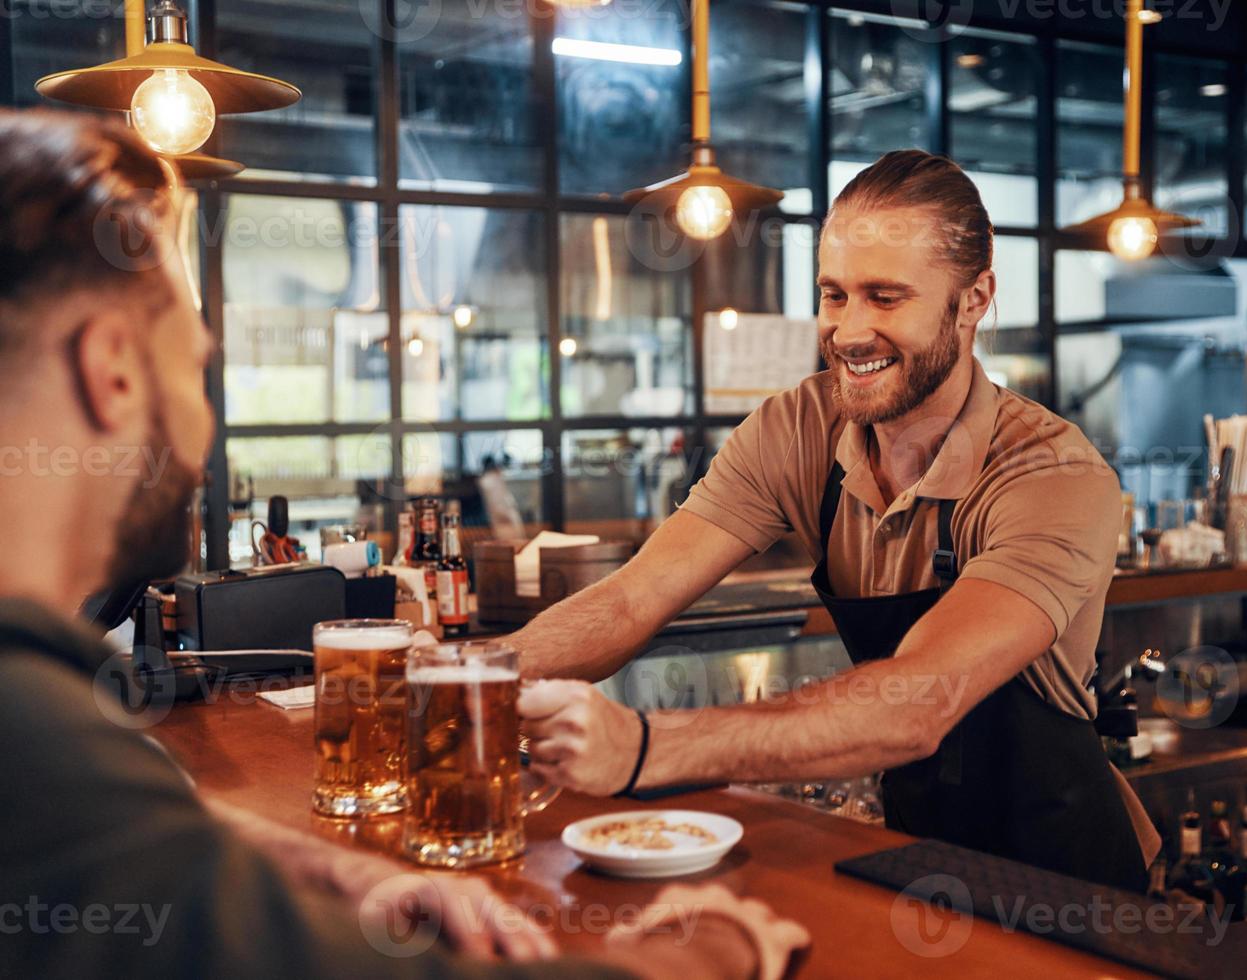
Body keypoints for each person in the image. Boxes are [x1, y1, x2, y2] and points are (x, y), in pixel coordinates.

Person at [0, 108, 807, 980]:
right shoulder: (29, 727)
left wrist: (334, 870)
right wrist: (714, 950)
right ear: (112, 370)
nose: (202, 425)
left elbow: (140, 837)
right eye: (192, 369)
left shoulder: (45, 729)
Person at [513, 150, 1161, 893]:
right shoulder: (798, 427)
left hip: (1067, 885)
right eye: (834, 295)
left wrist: (640, 746)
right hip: (916, 857)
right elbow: (633, 599)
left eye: (885, 298)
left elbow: (917, 700)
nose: (849, 331)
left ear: (974, 298)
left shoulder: (1052, 474)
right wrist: (467, 680)